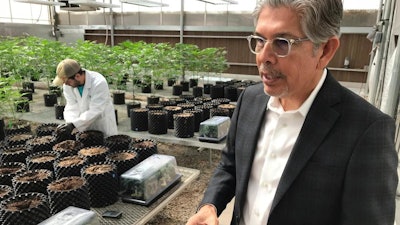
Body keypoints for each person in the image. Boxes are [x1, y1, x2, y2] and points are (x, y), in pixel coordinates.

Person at [186, 1, 398, 225]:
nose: (263, 57)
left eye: (281, 43)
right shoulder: (250, 100)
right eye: (259, 40)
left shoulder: (365, 130)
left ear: (325, 50)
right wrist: (210, 205)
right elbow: (229, 165)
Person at [53, 58, 118, 137]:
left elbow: (96, 109)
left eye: (67, 82)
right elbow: (72, 106)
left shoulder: (99, 83)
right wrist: (70, 124)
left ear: (77, 76)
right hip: (83, 127)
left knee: (105, 146)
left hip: (101, 124)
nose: (66, 84)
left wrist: (75, 125)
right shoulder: (68, 86)